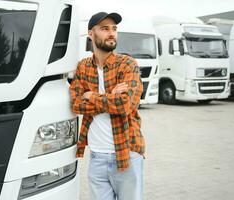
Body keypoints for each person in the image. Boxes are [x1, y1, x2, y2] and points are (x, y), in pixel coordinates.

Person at [69, 11, 146, 200]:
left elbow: (125, 105)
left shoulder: (128, 64)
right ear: (91, 34)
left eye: (114, 29)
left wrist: (92, 96)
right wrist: (111, 97)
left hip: (127, 154)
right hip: (96, 157)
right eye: (104, 29)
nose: (111, 33)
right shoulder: (83, 67)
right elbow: (76, 104)